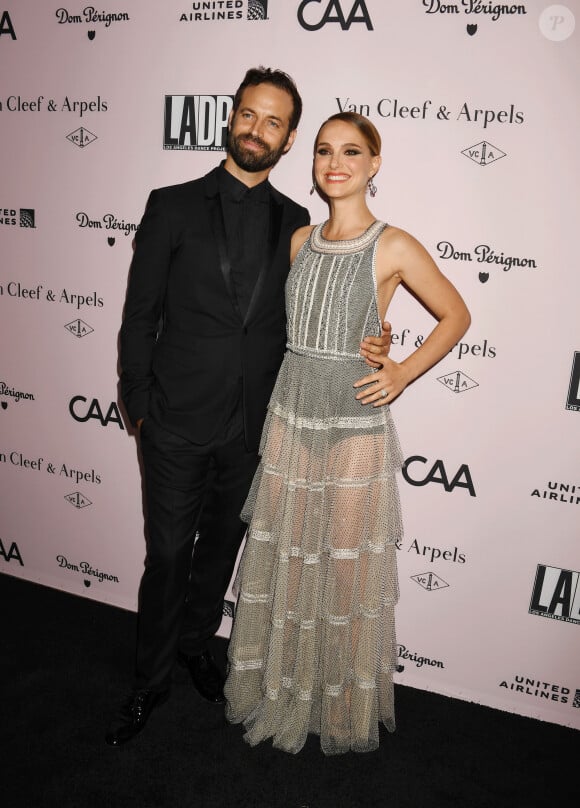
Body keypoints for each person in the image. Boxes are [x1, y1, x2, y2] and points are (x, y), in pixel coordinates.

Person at [107, 71, 389, 747]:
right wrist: (139, 405)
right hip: (174, 420)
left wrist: (374, 341)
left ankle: (198, 644)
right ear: (230, 119)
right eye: (247, 115)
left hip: (258, 428)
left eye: (273, 122)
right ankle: (149, 681)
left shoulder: (299, 225)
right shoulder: (171, 205)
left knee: (221, 555)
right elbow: (139, 313)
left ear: (290, 139)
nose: (255, 129)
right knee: (169, 555)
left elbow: (327, 307)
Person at [224, 111, 471, 755]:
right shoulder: (300, 241)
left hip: (354, 422)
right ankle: (278, 692)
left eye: (352, 152)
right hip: (291, 413)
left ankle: (336, 714)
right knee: (282, 559)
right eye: (325, 151)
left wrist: (402, 371)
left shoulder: (393, 244)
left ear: (374, 164)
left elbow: (455, 314)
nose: (336, 163)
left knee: (342, 571)